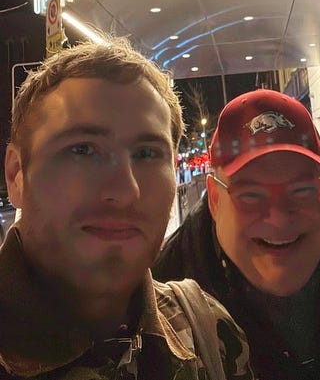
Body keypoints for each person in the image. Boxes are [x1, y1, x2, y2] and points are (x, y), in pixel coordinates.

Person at [0, 37, 254, 380]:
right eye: (83, 150)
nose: (125, 189)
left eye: (147, 153)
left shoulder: (208, 332)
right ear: (17, 175)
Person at [153, 88, 320, 380]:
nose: (278, 218)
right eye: (250, 194)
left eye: (302, 190)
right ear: (215, 199)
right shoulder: (157, 309)